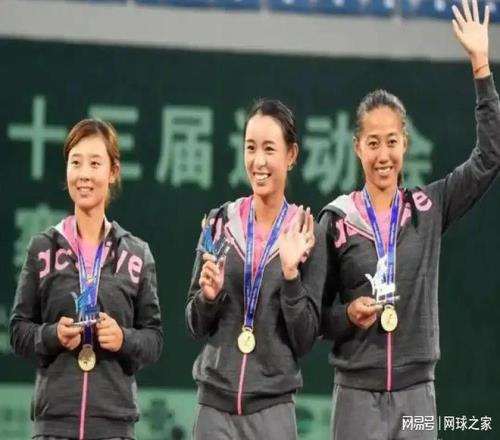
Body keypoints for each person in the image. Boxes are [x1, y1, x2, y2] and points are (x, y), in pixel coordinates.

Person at [319, 1, 500, 438]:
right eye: (373, 143)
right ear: (357, 147)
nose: (383, 154)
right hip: (356, 395)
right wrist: (348, 315)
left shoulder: (428, 208)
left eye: (392, 141)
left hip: (417, 394)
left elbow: (489, 157)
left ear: (406, 143)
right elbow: (314, 318)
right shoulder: (338, 221)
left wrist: (480, 65)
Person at [9, 119, 163, 440]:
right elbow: (19, 330)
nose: (84, 175)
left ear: (113, 172)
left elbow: (153, 340)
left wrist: (123, 339)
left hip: (114, 426)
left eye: (95, 163)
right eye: (76, 162)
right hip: (54, 425)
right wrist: (52, 335)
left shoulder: (136, 254)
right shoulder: (43, 248)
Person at [185, 99, 326, 439]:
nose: (258, 161)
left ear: (291, 155)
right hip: (213, 411)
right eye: (250, 148)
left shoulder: (306, 233)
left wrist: (291, 277)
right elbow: (193, 323)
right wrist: (208, 298)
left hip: (272, 412)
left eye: (269, 149)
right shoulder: (219, 223)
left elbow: (305, 338)